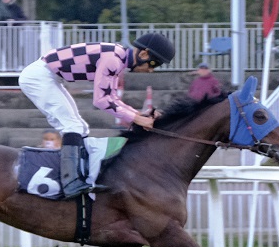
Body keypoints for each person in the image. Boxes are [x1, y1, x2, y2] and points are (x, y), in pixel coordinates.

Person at [18, 32, 175, 197]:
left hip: (48, 76)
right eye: (153, 64)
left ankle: (79, 177)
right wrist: (136, 118)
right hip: (39, 77)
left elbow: (112, 98)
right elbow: (101, 101)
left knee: (81, 128)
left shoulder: (118, 57)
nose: (151, 70)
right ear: (143, 54)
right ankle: (70, 183)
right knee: (73, 127)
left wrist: (138, 115)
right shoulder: (113, 59)